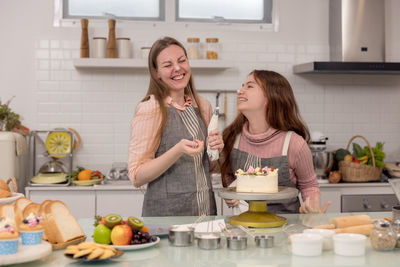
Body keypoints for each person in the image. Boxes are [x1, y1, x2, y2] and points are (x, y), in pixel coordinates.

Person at [128, 37, 224, 217]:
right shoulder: (151, 108)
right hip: (166, 217)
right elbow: (137, 176)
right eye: (167, 65)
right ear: (156, 72)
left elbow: (208, 167)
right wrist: (177, 150)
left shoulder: (203, 106)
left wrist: (216, 150)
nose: (178, 68)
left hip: (205, 211)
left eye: (182, 60)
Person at [221, 70, 331, 214]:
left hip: (287, 228)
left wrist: (311, 206)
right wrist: (232, 194)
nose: (239, 91)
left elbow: (309, 185)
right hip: (244, 227)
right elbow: (229, 176)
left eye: (249, 86)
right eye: (242, 86)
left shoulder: (294, 144)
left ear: (269, 97)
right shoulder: (232, 137)